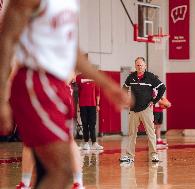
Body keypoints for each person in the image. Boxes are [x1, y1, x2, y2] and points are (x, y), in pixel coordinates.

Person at [0, 1, 131, 189]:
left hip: (56, 87)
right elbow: (6, 39)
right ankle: (26, 182)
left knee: (56, 169)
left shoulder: (69, 3)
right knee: (59, 168)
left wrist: (109, 86)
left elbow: (73, 52)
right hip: (36, 81)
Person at [119, 57, 166, 163]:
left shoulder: (151, 77)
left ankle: (154, 155)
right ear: (135, 66)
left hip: (146, 110)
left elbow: (162, 87)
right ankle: (130, 156)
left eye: (141, 65)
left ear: (145, 66)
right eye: (138, 65)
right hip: (133, 110)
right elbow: (124, 90)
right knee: (132, 134)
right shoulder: (131, 77)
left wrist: (154, 101)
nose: (139, 67)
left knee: (150, 133)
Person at [76, 72, 103, 150]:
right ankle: (86, 143)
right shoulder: (79, 77)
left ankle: (94, 143)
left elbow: (98, 92)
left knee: (92, 124)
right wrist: (78, 105)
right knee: (84, 124)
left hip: (93, 105)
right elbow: (77, 93)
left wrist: (97, 104)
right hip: (82, 105)